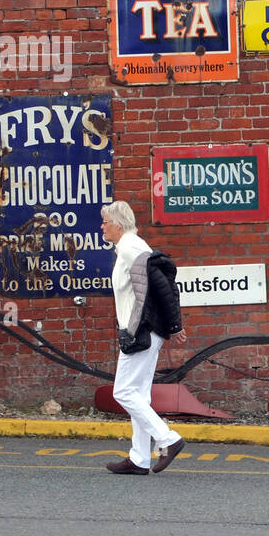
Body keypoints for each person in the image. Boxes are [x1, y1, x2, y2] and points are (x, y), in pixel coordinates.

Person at [100, 200, 188, 475]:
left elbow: (163, 287)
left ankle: (168, 439)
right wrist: (172, 325)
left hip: (140, 331)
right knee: (138, 394)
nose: (102, 226)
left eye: (105, 222)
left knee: (123, 391)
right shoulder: (132, 247)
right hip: (146, 329)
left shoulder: (130, 248)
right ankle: (139, 458)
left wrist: (174, 325)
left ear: (118, 224)